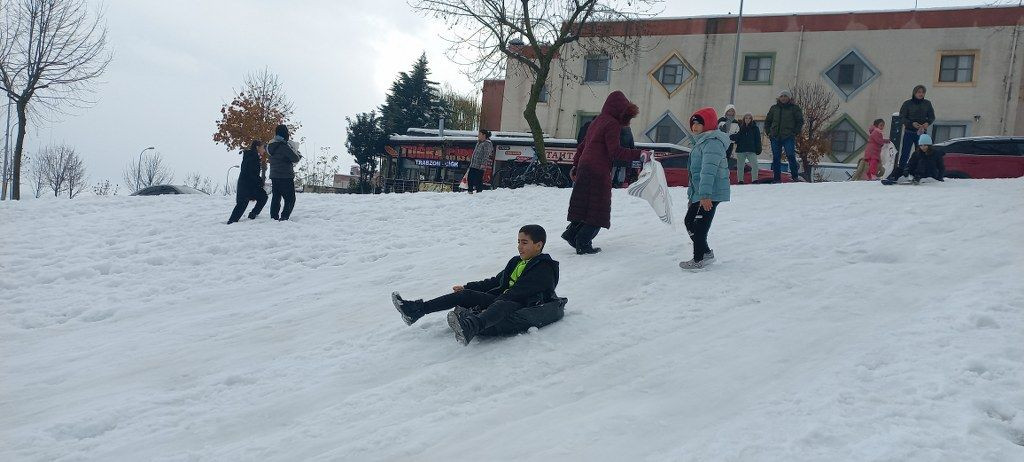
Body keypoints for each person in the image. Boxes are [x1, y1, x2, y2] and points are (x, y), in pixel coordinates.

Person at [391, 225, 564, 346]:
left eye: (524, 242)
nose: (519, 247)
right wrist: (467, 288)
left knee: (503, 303)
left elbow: (519, 292)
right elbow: (496, 281)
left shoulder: (544, 268)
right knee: (465, 295)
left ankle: (470, 327)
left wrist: (490, 304)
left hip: (524, 305)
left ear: (538, 245)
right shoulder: (516, 261)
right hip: (503, 299)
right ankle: (415, 310)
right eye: (518, 241)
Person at [563, 91, 647, 255]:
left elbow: (582, 146)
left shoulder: (597, 121)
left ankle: (572, 234)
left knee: (584, 205)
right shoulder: (612, 124)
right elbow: (615, 152)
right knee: (597, 209)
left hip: (584, 167)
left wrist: (575, 165)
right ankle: (583, 243)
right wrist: (639, 154)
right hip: (598, 170)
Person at [680, 107, 731, 271]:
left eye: (698, 123)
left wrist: (706, 195)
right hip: (701, 193)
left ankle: (698, 259)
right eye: (693, 123)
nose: (694, 127)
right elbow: (694, 173)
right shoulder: (701, 142)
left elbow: (708, 171)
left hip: (710, 192)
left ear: (707, 124)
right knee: (690, 221)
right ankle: (706, 253)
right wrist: (692, 196)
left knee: (699, 225)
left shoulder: (713, 143)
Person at [764, 90, 804, 183]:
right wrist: (769, 133)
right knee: (776, 158)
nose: (783, 98)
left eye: (785, 96)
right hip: (775, 137)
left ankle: (795, 177)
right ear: (779, 98)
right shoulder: (774, 108)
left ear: (789, 98)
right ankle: (776, 179)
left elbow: (800, 121)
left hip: (788, 136)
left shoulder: (794, 108)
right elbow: (768, 121)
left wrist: (794, 133)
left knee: (790, 156)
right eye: (781, 96)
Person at [226, 140, 270, 224]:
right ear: (257, 147)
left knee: (262, 197)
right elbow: (251, 173)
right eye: (263, 147)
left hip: (247, 185)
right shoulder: (253, 157)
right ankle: (232, 222)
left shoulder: (251, 155)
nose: (264, 150)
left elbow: (251, 173)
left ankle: (250, 215)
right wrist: (260, 182)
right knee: (243, 204)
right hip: (246, 186)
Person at [896, 85, 936, 173]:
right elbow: (902, 117)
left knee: (921, 153)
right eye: (919, 92)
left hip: (922, 133)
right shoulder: (907, 104)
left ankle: (919, 171)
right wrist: (911, 123)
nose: (921, 94)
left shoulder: (927, 104)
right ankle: (901, 171)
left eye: (922, 92)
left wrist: (927, 123)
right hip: (909, 132)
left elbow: (932, 117)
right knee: (905, 153)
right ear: (914, 93)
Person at [267, 124, 302, 221]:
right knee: (290, 199)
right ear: (284, 133)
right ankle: (284, 217)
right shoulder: (283, 146)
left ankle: (273, 217)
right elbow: (295, 158)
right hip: (285, 176)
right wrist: (298, 154)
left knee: (276, 197)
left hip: (274, 175)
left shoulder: (270, 146)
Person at [731, 112, 761, 184]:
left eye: (749, 118)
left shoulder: (755, 128)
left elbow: (758, 139)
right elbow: (736, 138)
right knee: (740, 166)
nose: (748, 119)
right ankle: (740, 181)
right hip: (741, 150)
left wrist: (758, 149)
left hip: (751, 150)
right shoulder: (740, 128)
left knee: (755, 165)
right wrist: (730, 136)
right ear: (744, 119)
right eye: (746, 118)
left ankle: (755, 180)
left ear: (751, 119)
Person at [467, 129, 493, 194]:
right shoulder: (479, 142)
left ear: (484, 135)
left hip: (479, 165)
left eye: (479, 134)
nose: (478, 135)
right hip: (474, 164)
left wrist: (483, 164)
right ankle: (470, 191)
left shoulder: (487, 143)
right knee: (470, 177)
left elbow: (486, 155)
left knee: (478, 179)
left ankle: (479, 193)